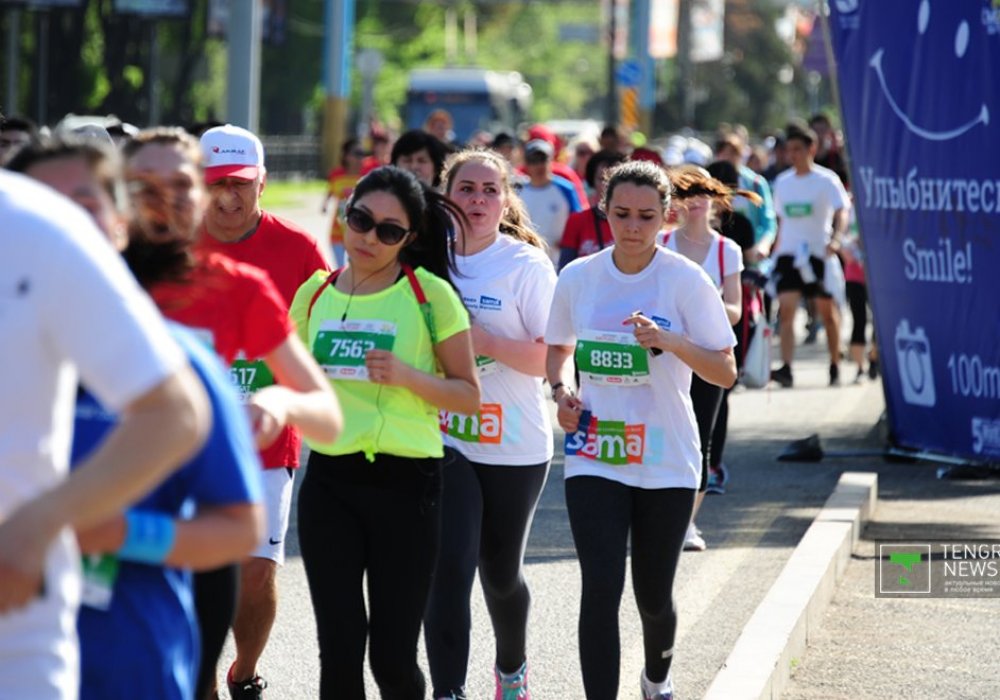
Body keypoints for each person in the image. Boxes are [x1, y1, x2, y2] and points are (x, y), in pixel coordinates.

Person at [10, 134, 266, 700]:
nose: (63, 223)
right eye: (41, 204)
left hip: (131, 667)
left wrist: (123, 533)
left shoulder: (180, 362)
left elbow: (240, 527)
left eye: (86, 201)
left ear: (121, 222)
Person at [128, 126, 342, 700]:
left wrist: (282, 398)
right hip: (166, 450)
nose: (228, 197)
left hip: (263, 447)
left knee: (253, 575)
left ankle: (242, 671)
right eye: (215, 184)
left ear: (262, 183)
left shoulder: (292, 254)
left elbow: (326, 337)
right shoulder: (150, 255)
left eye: (240, 185)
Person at [545, 160, 736, 700]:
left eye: (646, 216)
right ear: (603, 211)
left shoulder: (685, 280)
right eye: (621, 214)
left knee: (653, 595)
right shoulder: (578, 277)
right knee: (600, 589)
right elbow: (558, 349)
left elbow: (725, 369)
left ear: (667, 217)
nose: (632, 227)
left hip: (667, 455)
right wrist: (561, 391)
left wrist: (670, 341)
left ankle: (657, 679)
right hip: (595, 448)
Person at [290, 165, 480, 699]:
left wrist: (408, 377)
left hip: (408, 486)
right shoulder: (314, 292)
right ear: (346, 215)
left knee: (392, 659)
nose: (370, 237)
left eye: (389, 231)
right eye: (361, 220)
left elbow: (469, 394)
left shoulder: (430, 296)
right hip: (329, 484)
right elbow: (287, 377)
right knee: (340, 648)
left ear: (409, 239)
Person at [426, 149, 557, 700]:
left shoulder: (524, 266)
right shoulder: (427, 258)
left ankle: (511, 670)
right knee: (447, 566)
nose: (477, 200)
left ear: (505, 201)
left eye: (488, 190)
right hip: (445, 435)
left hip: (514, 443)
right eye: (466, 189)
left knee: (499, 572)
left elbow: (549, 358)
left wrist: (482, 342)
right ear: (446, 194)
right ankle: (448, 690)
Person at [660, 166, 752, 552]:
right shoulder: (662, 243)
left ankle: (686, 524)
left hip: (708, 355)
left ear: (715, 197)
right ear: (674, 201)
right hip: (665, 354)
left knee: (700, 438)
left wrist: (702, 302)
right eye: (685, 191)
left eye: (703, 191)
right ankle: (657, 518)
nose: (695, 200)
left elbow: (735, 308)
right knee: (663, 434)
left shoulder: (726, 249)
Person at [769, 125, 850, 388]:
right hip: (790, 255)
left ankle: (835, 364)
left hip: (818, 253)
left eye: (798, 149)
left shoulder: (826, 180)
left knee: (827, 314)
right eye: (789, 150)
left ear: (811, 149)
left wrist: (836, 239)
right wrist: (774, 248)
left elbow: (842, 211)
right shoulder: (783, 182)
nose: (793, 154)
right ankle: (787, 367)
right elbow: (781, 220)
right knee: (787, 312)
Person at [557, 149, 625, 271]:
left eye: (614, 180)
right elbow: (564, 269)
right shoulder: (576, 221)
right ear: (592, 181)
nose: (607, 185)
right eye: (602, 179)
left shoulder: (636, 221)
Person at [519, 139, 584, 264]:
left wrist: (566, 243)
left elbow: (578, 221)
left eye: (543, 159)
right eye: (533, 161)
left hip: (559, 260)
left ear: (551, 161)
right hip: (527, 261)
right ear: (526, 164)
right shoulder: (518, 191)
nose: (539, 166)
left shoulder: (565, 189)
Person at [322, 137, 365, 265]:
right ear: (346, 156)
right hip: (337, 232)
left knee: (355, 270)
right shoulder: (336, 175)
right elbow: (330, 191)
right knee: (340, 269)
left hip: (359, 233)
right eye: (356, 154)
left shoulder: (367, 176)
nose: (360, 158)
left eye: (362, 154)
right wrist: (325, 204)